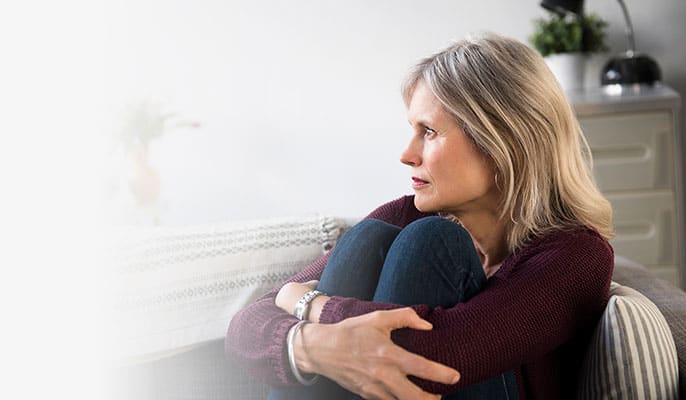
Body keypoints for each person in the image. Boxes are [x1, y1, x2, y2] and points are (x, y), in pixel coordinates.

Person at [225, 33, 614, 399]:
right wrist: (309, 345)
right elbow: (245, 327)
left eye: (428, 131)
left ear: (503, 142)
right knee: (367, 240)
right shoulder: (401, 215)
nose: (406, 154)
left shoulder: (577, 257)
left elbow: (436, 353)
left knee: (431, 241)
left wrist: (310, 306)